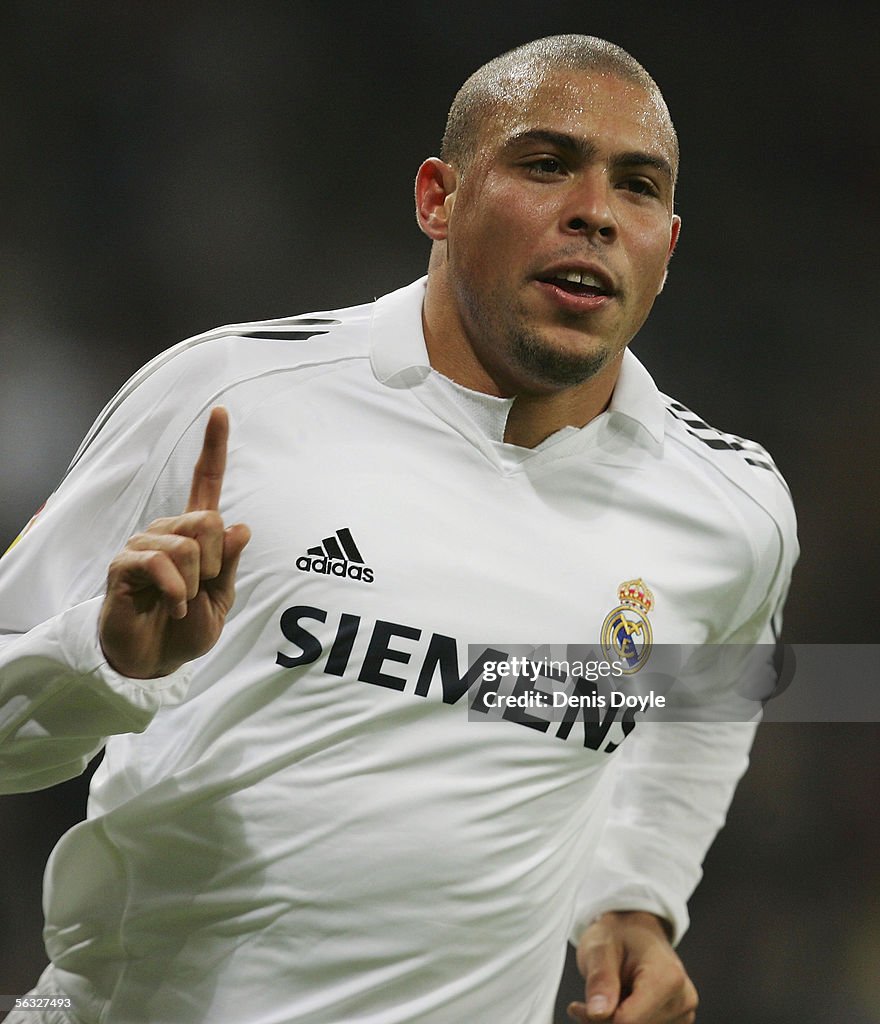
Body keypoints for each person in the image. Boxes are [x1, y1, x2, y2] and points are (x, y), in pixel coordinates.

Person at [0, 33, 796, 1024]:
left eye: (635, 186)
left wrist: (634, 895)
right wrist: (102, 661)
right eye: (546, 164)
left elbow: (708, 696)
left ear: (664, 248)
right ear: (438, 198)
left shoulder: (729, 507)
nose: (592, 210)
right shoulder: (229, 399)